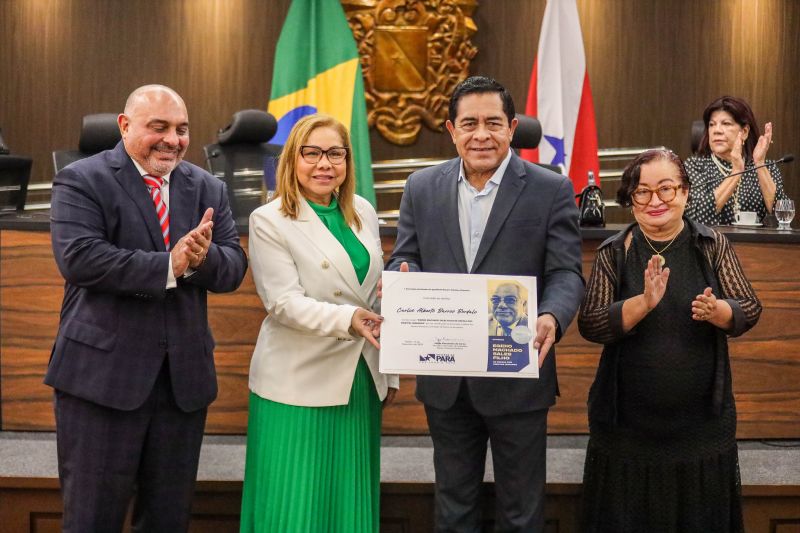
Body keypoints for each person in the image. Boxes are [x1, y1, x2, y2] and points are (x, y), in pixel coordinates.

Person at [387, 76, 584, 531]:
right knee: (453, 507)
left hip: (518, 374)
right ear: (451, 130)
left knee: (521, 511)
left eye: (493, 123)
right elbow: (405, 257)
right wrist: (404, 279)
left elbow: (566, 273)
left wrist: (552, 315)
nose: (481, 135)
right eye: (469, 123)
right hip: (447, 378)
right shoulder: (421, 186)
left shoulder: (550, 188)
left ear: (512, 128)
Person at [47, 84, 248, 532]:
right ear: (124, 126)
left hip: (182, 385)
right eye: (159, 127)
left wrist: (201, 260)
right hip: (101, 382)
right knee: (91, 519)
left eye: (181, 130)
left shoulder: (208, 187)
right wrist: (168, 265)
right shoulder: (82, 179)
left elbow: (234, 266)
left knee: (167, 520)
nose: (172, 140)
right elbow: (80, 258)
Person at [578, 149, 762, 532]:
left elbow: (749, 307)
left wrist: (719, 311)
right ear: (631, 200)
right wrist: (643, 304)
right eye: (642, 191)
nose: (655, 200)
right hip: (626, 430)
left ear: (685, 192)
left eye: (666, 188)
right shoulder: (616, 251)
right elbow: (591, 323)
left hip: (701, 428)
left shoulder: (710, 244)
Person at [242, 113, 399, 532]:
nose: (324, 164)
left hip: (359, 378)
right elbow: (283, 303)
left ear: (348, 160)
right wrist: (350, 319)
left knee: (347, 503)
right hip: (298, 382)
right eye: (311, 153)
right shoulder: (269, 219)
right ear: (292, 159)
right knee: (297, 504)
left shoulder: (363, 211)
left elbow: (373, 294)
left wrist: (391, 371)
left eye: (335, 153)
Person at [685, 95, 787, 225]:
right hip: (711, 238)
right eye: (712, 124)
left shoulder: (767, 167)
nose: (716, 131)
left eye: (726, 123)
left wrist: (760, 164)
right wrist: (736, 171)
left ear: (744, 132)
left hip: (755, 239)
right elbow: (696, 218)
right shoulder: (695, 166)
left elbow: (784, 217)